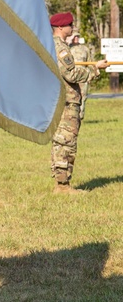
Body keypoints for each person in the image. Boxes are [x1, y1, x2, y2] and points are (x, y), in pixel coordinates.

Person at [49, 11, 107, 192]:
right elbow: (70, 73)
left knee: (61, 142)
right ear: (60, 27)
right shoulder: (61, 48)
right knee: (66, 142)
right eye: (69, 25)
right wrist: (95, 70)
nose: (71, 27)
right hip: (66, 102)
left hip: (62, 100)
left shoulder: (54, 45)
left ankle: (61, 183)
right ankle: (63, 185)